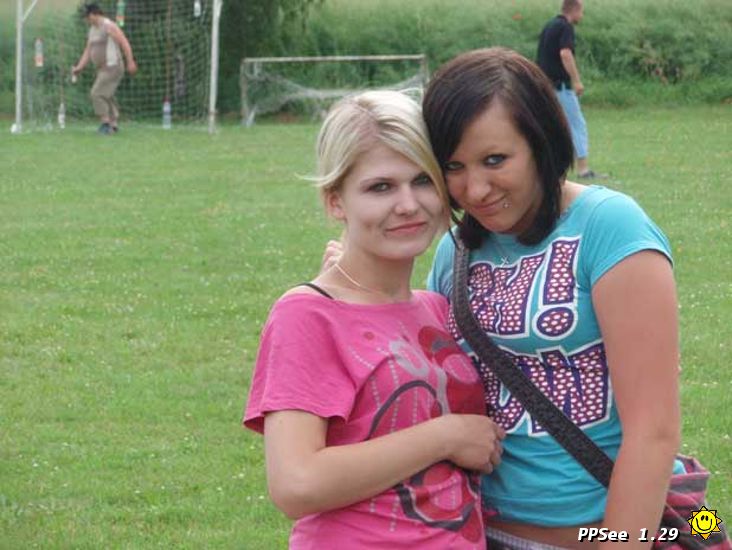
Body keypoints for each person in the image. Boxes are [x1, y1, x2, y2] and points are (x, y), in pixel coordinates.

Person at [423, 47, 681, 549]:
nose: (475, 189)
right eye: (453, 166)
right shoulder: (455, 252)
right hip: (479, 533)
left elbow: (654, 431)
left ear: (540, 143)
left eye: (495, 160)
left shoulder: (610, 227)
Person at [243, 90, 505, 549]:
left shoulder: (438, 307)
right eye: (380, 187)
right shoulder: (307, 314)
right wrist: (445, 436)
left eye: (422, 180)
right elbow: (296, 483)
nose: (408, 204)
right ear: (335, 201)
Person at [537, 0, 602, 179]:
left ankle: (546, 168)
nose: (582, 16)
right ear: (575, 10)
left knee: (550, 126)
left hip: (545, 85)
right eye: (582, 11)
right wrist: (576, 80)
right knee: (576, 124)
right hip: (561, 87)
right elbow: (565, 54)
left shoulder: (549, 25)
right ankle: (583, 168)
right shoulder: (566, 27)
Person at [72, 3, 137, 135]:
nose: (86, 20)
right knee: (107, 95)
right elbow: (88, 50)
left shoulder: (109, 25)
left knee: (96, 93)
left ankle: (105, 124)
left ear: (93, 14)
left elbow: (124, 42)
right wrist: (79, 67)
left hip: (113, 66)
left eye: (87, 17)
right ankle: (113, 124)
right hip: (102, 68)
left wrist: (130, 61)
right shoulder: (92, 29)